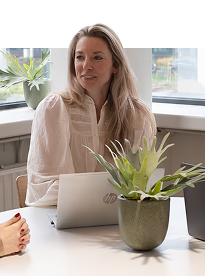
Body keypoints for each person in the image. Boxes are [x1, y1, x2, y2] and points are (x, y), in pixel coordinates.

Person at [26, 24, 157, 206]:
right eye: (80, 57)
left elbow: (141, 184)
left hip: (118, 220)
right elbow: (41, 187)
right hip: (60, 218)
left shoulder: (137, 116)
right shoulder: (53, 109)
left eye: (97, 57)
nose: (86, 66)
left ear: (115, 66)